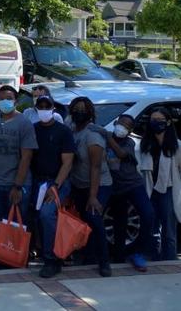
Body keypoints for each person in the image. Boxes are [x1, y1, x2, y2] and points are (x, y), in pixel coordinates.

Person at [97, 114, 153, 271]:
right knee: (119, 222)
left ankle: (139, 252)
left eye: (127, 127)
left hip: (133, 185)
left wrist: (109, 139)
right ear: (115, 122)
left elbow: (121, 154)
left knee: (148, 214)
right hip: (114, 188)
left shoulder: (128, 142)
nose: (123, 128)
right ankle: (118, 256)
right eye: (121, 124)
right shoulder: (103, 138)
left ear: (130, 131)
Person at [30, 95, 75, 278]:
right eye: (40, 106)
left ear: (53, 108)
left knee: (47, 215)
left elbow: (68, 162)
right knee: (35, 217)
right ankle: (41, 252)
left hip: (57, 181)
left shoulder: (63, 131)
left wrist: (55, 185)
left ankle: (52, 260)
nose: (43, 109)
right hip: (36, 181)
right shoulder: (33, 129)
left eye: (46, 106)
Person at [68, 96, 113, 277]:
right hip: (79, 184)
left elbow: (95, 167)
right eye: (76, 109)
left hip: (99, 184)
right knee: (85, 220)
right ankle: (89, 256)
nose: (79, 112)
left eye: (83, 109)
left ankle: (104, 262)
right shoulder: (72, 130)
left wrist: (93, 196)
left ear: (90, 113)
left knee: (94, 218)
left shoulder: (93, 135)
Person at [0, 85, 37, 227]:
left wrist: (18, 186)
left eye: (9, 98)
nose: (5, 101)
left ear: (16, 101)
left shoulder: (24, 123)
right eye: (1, 99)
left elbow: (26, 157)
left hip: (17, 184)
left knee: (17, 223)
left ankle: (19, 250)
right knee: (0, 221)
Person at [139, 107, 181, 261]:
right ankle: (153, 258)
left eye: (159, 120)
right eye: (153, 120)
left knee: (169, 228)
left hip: (168, 189)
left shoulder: (177, 146)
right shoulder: (146, 144)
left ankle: (169, 259)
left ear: (168, 122)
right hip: (150, 189)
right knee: (151, 225)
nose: (155, 123)